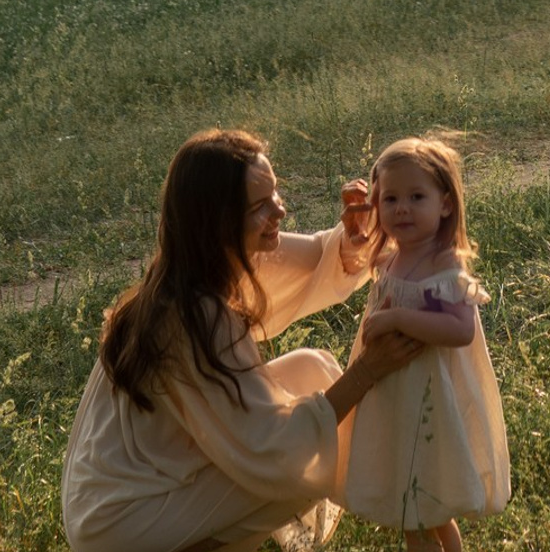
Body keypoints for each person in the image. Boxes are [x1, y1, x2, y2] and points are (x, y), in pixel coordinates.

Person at [62, 128, 419, 552]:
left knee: (313, 370)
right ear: (219, 221)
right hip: (124, 522)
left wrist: (356, 237)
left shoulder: (200, 261)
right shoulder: (195, 313)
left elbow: (315, 260)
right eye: (260, 206)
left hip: (114, 494)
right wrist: (367, 371)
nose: (280, 210)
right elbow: (277, 449)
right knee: (302, 464)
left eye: (275, 194)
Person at [342, 137, 510, 548]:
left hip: (429, 399)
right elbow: (350, 260)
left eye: (417, 197)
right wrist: (354, 225)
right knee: (413, 498)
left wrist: (398, 317)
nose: (402, 209)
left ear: (446, 204)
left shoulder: (441, 264)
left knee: (420, 508)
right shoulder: (390, 257)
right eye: (391, 199)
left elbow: (459, 330)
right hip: (394, 396)